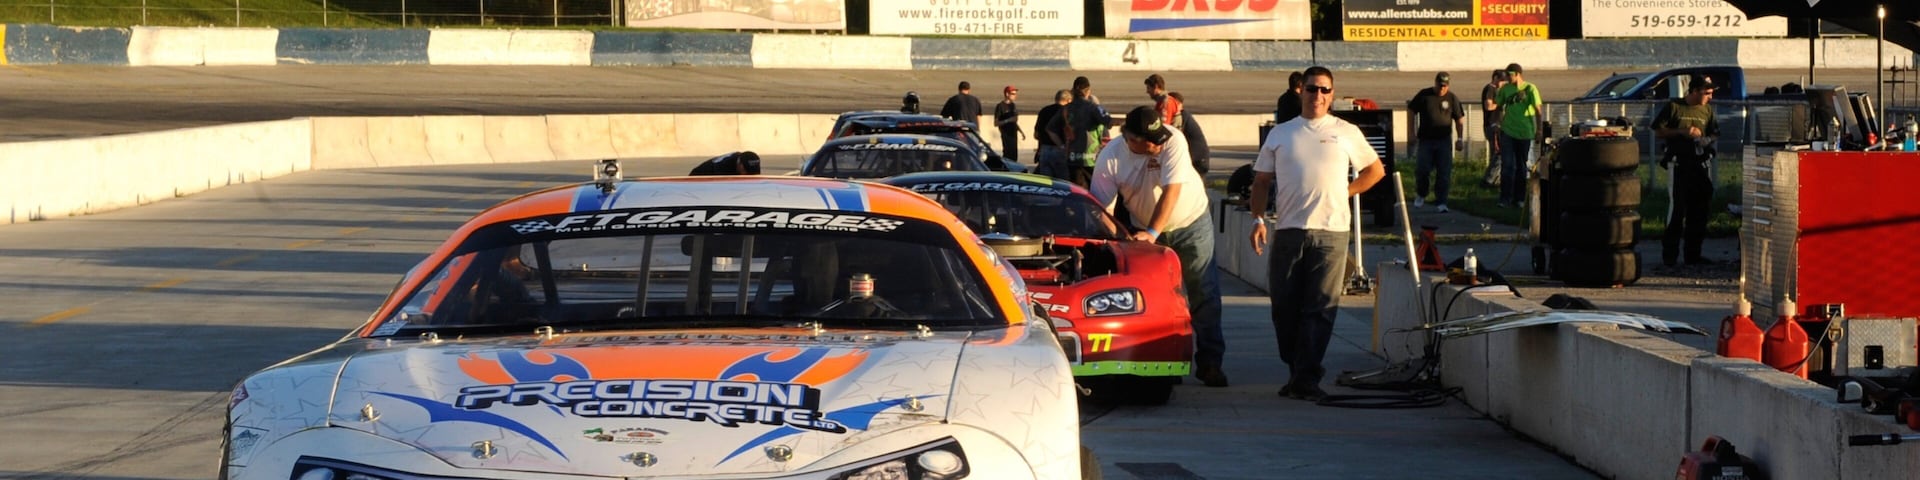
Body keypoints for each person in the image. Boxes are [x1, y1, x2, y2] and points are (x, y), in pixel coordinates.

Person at [1248, 66, 1386, 402]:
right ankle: (1297, 369)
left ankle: (1307, 376)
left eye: (1325, 90)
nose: (1318, 96)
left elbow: (1375, 170)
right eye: (1312, 89)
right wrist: (1257, 219)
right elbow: (1262, 182)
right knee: (1284, 306)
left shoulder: (1346, 131)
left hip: (1332, 232)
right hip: (1289, 230)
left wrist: (1345, 191)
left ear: (1333, 94)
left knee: (1320, 306)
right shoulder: (1281, 133)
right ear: (1301, 92)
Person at [1090, 105, 1227, 388]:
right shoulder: (1111, 157)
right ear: (1131, 138)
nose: (1158, 144)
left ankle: (1210, 362)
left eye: (1159, 137)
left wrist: (1153, 232)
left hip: (1191, 223)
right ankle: (1167, 364)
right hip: (1145, 232)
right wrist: (1118, 239)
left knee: (1204, 290)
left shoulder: (1173, 139)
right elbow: (1101, 209)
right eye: (1150, 140)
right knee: (1159, 302)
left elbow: (1172, 190)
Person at [1652, 76, 1720, 266]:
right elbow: (1658, 131)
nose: (1710, 97)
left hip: (1700, 164)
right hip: (1679, 163)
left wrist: (1708, 139)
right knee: (1677, 210)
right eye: (1707, 93)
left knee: (1699, 210)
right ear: (1695, 91)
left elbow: (1715, 131)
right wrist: (1681, 132)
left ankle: (1693, 255)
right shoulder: (1675, 107)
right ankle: (1670, 257)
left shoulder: (1707, 110)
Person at [1407, 72, 1466, 212]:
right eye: (1440, 85)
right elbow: (1411, 110)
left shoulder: (1452, 98)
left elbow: (1459, 119)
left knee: (1444, 172)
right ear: (1435, 83)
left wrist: (1460, 138)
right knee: (1422, 170)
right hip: (1426, 140)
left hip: (1444, 141)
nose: (1442, 89)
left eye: (1444, 86)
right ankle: (1422, 193)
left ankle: (1441, 201)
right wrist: (1411, 133)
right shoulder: (1424, 95)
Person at [1494, 63, 1542, 208]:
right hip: (1508, 131)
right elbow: (1498, 107)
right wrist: (1498, 124)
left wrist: (1539, 130)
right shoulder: (1505, 89)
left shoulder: (1530, 88)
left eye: (1510, 75)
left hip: (1525, 132)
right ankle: (1504, 199)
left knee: (1521, 167)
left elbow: (1538, 110)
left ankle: (1519, 198)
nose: (1508, 77)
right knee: (1507, 165)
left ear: (1518, 74)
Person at [1049, 76, 1110, 187]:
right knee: (1094, 194)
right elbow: (1108, 122)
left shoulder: (1066, 109)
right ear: (1088, 91)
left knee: (1076, 192)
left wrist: (1062, 146)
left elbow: (1050, 129)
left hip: (1073, 159)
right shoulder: (1094, 108)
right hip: (1092, 160)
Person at [1033, 89, 1072, 180]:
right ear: (1068, 100)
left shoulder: (1044, 111)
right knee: (1063, 182)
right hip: (1060, 150)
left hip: (1045, 150)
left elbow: (1036, 134)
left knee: (1045, 182)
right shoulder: (1066, 112)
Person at [1167, 91, 1210, 175]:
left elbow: (1173, 136)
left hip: (1197, 161)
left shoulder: (1182, 116)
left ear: (1177, 104)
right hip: (1196, 159)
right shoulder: (1183, 116)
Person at [1481, 69, 1507, 187]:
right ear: (1495, 78)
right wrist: (1501, 103)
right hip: (1493, 126)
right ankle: (1489, 179)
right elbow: (1489, 106)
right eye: (1501, 80)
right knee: (1499, 153)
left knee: (1495, 155)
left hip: (1498, 125)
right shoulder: (1490, 89)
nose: (1502, 83)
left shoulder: (1498, 90)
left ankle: (1495, 180)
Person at [994, 85, 1024, 164]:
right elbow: (996, 123)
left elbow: (1014, 121)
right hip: (1006, 134)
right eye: (1013, 94)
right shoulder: (1000, 106)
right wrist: (1008, 120)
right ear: (1007, 94)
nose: (1015, 96)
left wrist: (1020, 131)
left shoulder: (1013, 105)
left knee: (1014, 155)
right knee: (1008, 154)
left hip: (1013, 134)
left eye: (1015, 94)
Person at [688, 151, 761, 176]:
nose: (748, 175)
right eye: (747, 172)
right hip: (698, 177)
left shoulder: (746, 159)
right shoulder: (724, 167)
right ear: (740, 166)